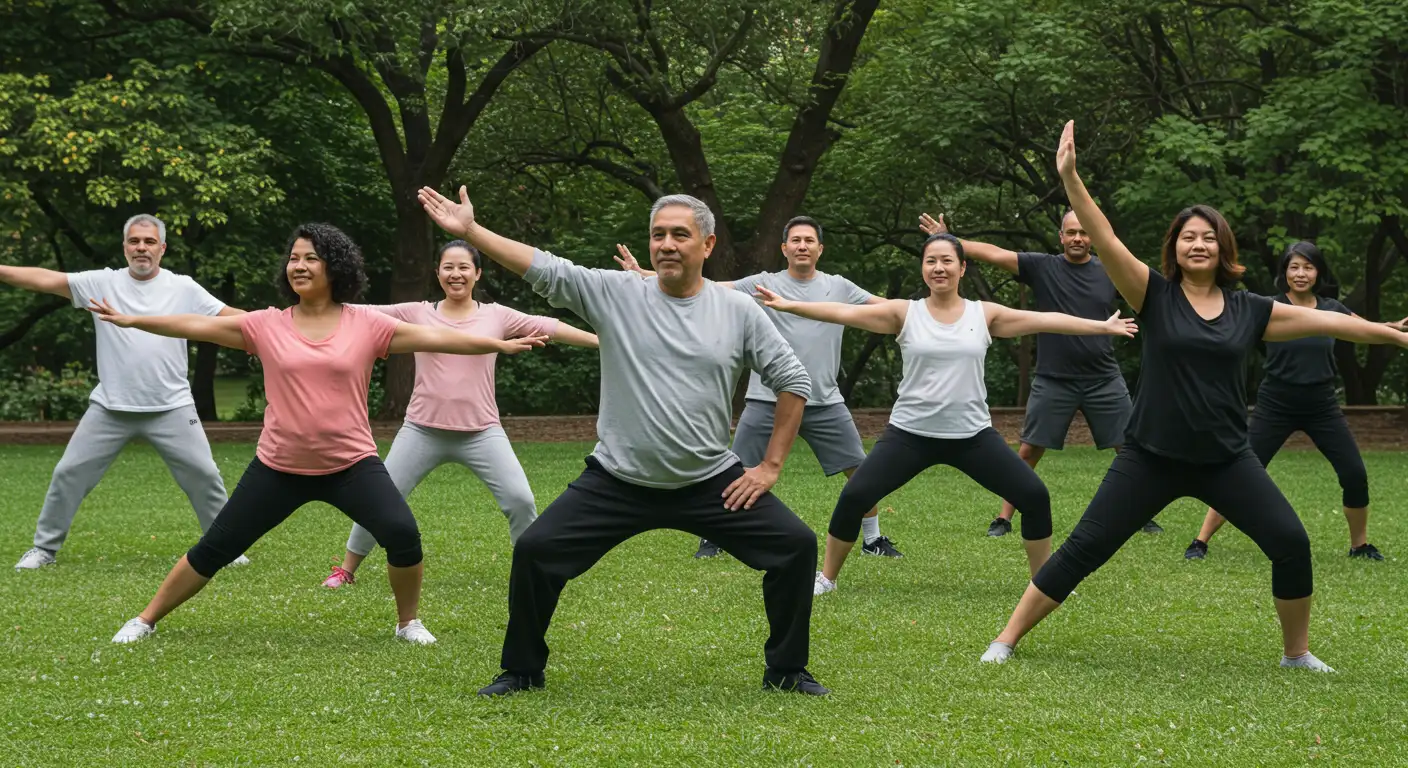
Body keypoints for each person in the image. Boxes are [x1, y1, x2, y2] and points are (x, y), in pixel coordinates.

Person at [982, 122, 1408, 672]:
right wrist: (1070, 178)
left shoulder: (1250, 309)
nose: (1199, 243)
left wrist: (1393, 334)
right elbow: (1105, 238)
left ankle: (1296, 653)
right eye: (1189, 237)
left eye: (1209, 237)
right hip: (1149, 457)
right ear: (1175, 248)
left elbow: (1328, 321)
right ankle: (1006, 639)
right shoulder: (1151, 295)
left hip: (1226, 460)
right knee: (1085, 548)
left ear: (1222, 248)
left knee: (1290, 542)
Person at [417, 185, 828, 697]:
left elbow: (794, 380)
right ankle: (522, 670)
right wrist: (472, 232)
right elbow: (546, 268)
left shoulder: (737, 310)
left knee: (795, 546)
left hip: (709, 481)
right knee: (536, 551)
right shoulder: (616, 293)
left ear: (708, 244)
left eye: (681, 234)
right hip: (617, 480)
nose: (667, 244)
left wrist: (769, 466)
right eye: (658, 235)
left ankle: (787, 670)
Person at [103, 223, 546, 646]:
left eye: (311, 258)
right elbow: (195, 325)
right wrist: (132, 321)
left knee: (403, 535)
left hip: (350, 465)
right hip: (278, 467)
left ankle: (407, 622)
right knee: (216, 546)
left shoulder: (366, 324)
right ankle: (145, 619)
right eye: (294, 258)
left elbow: (437, 337)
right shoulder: (266, 325)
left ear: (334, 267)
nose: (299, 265)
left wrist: (499, 344)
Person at [752, 233, 1136, 597]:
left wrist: (1101, 326)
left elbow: (1048, 320)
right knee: (855, 495)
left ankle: (1045, 583)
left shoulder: (983, 315)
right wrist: (789, 305)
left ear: (962, 268)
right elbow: (840, 312)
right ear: (923, 268)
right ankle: (827, 578)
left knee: (1034, 496)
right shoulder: (905, 314)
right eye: (931, 261)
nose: (939, 268)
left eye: (947, 261)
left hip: (972, 437)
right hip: (910, 435)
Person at [614, 216, 901, 561]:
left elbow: (886, 309)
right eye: (795, 240)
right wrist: (645, 273)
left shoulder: (838, 286)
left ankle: (873, 540)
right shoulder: (764, 283)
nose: (802, 246)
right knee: (728, 468)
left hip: (824, 401)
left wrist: (933, 310)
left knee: (861, 473)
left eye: (809, 241)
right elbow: (709, 287)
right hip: (767, 399)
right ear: (784, 248)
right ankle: (713, 536)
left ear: (820, 249)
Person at [320, 240, 598, 588]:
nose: (456, 274)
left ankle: (531, 570)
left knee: (520, 499)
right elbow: (359, 313)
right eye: (448, 267)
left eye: (464, 267)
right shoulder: (418, 312)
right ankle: (346, 569)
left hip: (482, 432)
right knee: (381, 499)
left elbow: (550, 326)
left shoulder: (497, 315)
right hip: (422, 431)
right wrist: (315, 303)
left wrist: (602, 340)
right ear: (438, 273)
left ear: (477, 273)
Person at [3, 214, 251, 570]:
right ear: (125, 247)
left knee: (205, 475)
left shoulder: (183, 288)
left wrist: (279, 327)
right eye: (134, 241)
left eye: (149, 242)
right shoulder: (101, 282)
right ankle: (44, 549)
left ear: (162, 248)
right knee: (68, 473)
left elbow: (231, 317)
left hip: (172, 407)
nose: (141, 248)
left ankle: (225, 547)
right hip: (110, 408)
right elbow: (46, 279)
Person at [918, 210, 1159, 537]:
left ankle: (1142, 512)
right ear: (1061, 236)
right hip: (1054, 378)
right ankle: (1004, 517)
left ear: (1093, 238)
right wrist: (951, 241)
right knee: (1029, 450)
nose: (1077, 238)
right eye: (1071, 232)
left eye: (1084, 233)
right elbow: (995, 253)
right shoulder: (1043, 266)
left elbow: (1150, 291)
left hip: (1103, 377)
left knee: (1128, 447)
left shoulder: (1110, 271)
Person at [1185, 242, 1392, 562]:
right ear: (1284, 272)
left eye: (1308, 267)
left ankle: (1359, 545)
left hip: (1322, 404)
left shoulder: (1332, 309)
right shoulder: (1269, 307)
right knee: (1239, 471)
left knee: (1354, 472)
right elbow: (1226, 328)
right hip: (1275, 403)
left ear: (1318, 272)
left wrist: (1394, 330)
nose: (1300, 273)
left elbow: (1365, 329)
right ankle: (1200, 541)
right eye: (1294, 267)